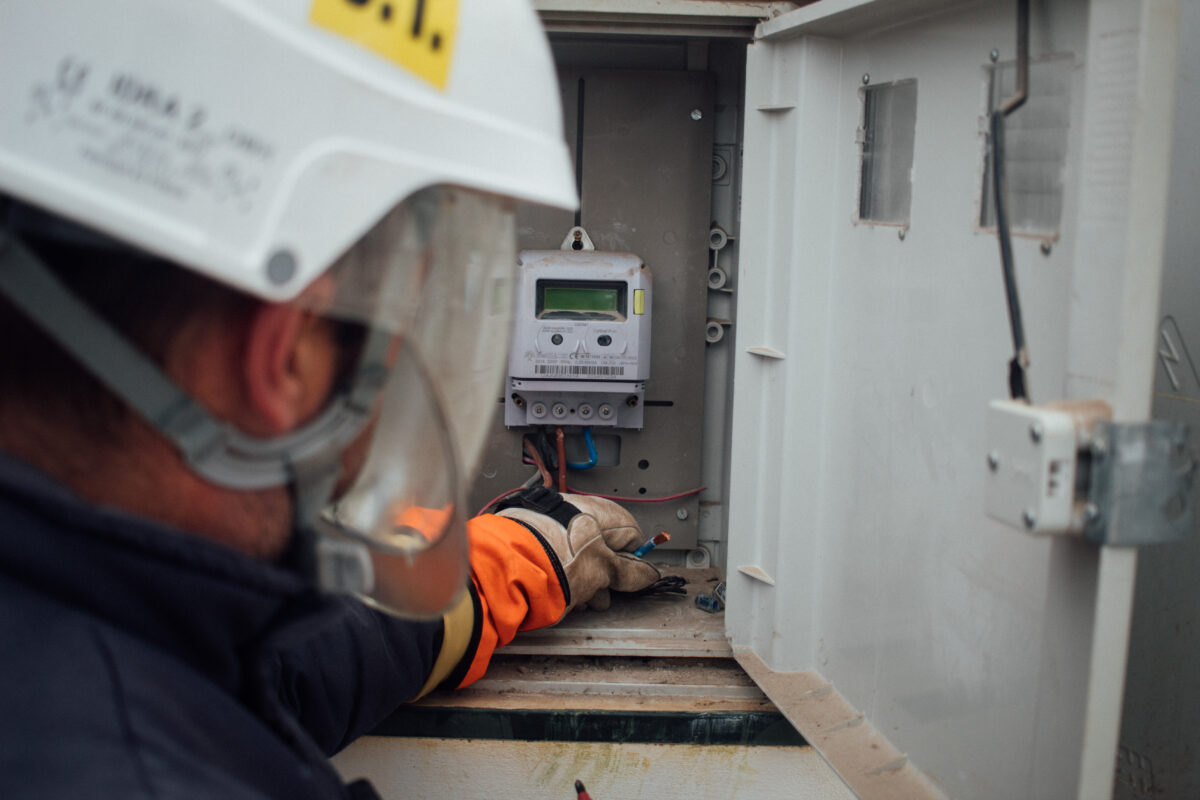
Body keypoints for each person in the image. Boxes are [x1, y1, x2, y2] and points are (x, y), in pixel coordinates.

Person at [0, 1, 662, 797]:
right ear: (288, 353)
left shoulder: (99, 632)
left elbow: (275, 672)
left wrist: (499, 568)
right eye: (398, 327)